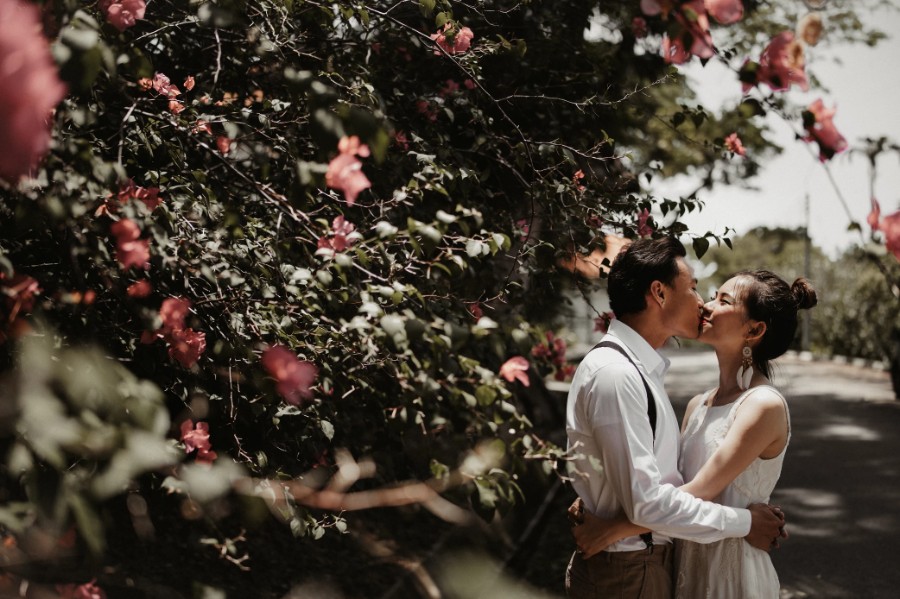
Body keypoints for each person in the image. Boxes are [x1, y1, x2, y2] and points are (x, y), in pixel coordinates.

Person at [570, 267, 818, 598]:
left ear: (754, 329)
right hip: (683, 562)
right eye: (711, 295)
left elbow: (698, 491)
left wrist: (614, 528)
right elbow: (666, 484)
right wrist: (600, 494)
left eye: (723, 300)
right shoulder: (698, 405)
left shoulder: (762, 406)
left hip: (730, 572)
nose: (706, 305)